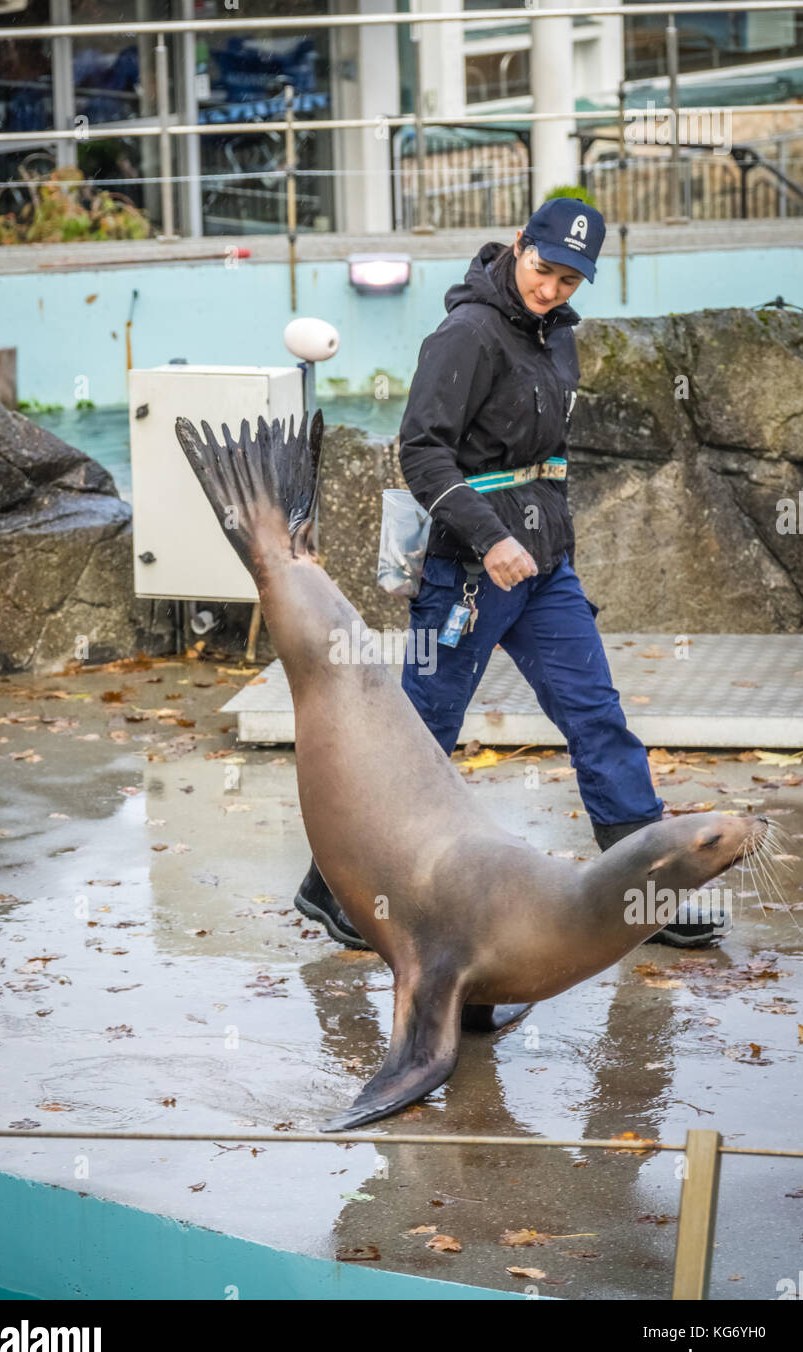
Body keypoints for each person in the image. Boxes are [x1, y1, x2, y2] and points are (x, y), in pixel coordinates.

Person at [295, 197, 728, 951]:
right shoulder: (465, 334)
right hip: (469, 571)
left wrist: (548, 544)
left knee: (596, 715)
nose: (553, 289)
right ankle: (330, 887)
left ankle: (642, 892)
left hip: (544, 571)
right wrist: (490, 539)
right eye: (544, 268)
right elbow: (422, 450)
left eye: (570, 280)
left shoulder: (559, 338)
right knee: (420, 736)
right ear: (519, 245)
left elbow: (546, 458)